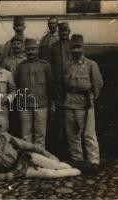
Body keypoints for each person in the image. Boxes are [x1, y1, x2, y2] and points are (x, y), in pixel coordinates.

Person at [0, 115, 81, 180]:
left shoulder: (5, 136)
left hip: (27, 157)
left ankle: (83, 167)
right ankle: (71, 172)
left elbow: (28, 145)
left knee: (57, 165)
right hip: (17, 171)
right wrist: (4, 176)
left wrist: (49, 155)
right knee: (48, 174)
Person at [64, 34, 103, 173]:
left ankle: (94, 161)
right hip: (69, 103)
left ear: (83, 48)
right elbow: (65, 84)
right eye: (73, 47)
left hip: (85, 104)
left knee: (89, 133)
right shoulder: (68, 65)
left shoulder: (91, 65)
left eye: (78, 47)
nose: (75, 50)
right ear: (70, 48)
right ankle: (77, 160)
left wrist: (91, 99)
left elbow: (98, 84)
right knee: (72, 134)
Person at [15, 38, 53, 149]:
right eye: (28, 50)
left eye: (33, 49)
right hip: (24, 105)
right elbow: (17, 84)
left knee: (40, 135)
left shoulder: (45, 65)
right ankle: (28, 159)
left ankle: (40, 160)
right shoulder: (21, 66)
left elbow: (50, 85)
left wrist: (51, 103)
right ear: (24, 51)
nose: (31, 52)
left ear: (37, 50)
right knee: (26, 135)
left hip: (41, 105)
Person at [48, 22, 72, 154]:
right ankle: (59, 141)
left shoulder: (73, 46)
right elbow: (50, 66)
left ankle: (70, 141)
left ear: (69, 31)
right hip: (57, 84)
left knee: (70, 111)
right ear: (59, 32)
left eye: (66, 31)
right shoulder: (53, 47)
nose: (63, 33)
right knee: (59, 112)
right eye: (61, 31)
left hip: (70, 85)